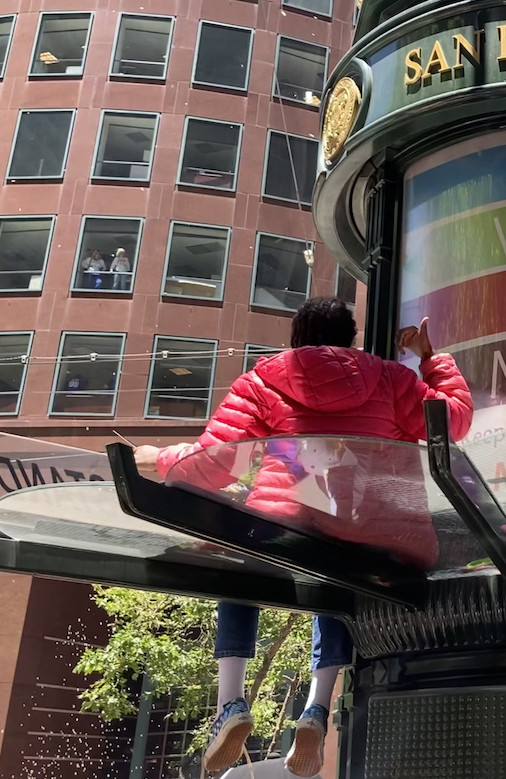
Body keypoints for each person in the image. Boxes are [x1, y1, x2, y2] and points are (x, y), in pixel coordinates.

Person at [133, 297, 472, 777]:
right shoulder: (392, 379)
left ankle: (230, 703)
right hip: (369, 529)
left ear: (296, 339)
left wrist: (157, 459)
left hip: (285, 523)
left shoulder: (265, 378)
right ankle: (316, 708)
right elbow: (452, 422)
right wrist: (429, 357)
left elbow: (216, 462)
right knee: (339, 584)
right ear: (350, 338)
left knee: (238, 569)